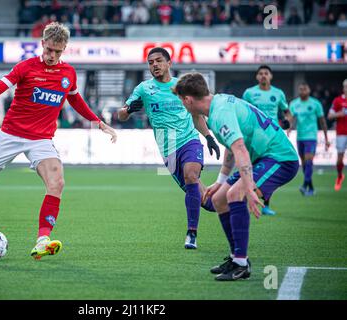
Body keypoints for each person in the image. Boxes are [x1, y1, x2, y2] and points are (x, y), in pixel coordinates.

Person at [0, 22, 117, 260]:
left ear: (64, 48)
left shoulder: (68, 73)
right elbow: (2, 85)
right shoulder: (26, 67)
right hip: (11, 134)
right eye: (49, 50)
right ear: (42, 44)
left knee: (57, 182)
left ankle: (42, 240)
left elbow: (75, 100)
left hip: (41, 139)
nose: (52, 55)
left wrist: (98, 122)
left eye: (58, 51)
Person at [174, 72, 299, 281]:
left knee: (234, 195)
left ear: (188, 99)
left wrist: (248, 188)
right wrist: (220, 181)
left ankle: (241, 263)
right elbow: (232, 148)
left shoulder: (219, 113)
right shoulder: (217, 105)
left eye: (181, 100)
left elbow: (240, 148)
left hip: (280, 158)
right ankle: (235, 257)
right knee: (218, 199)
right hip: (262, 158)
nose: (183, 105)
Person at [118, 47, 220, 250]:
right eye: (150, 62)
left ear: (169, 63)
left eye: (158, 61)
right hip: (167, 148)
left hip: (189, 139)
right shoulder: (144, 89)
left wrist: (208, 137)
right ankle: (234, 201)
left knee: (192, 175)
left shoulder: (180, 86)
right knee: (206, 201)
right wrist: (128, 110)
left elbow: (196, 116)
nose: (154, 65)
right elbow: (121, 115)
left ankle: (192, 233)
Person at [242, 65, 292, 216]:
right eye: (261, 74)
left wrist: (288, 123)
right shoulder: (250, 93)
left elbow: (287, 112)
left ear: (270, 76)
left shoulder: (278, 93)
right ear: (257, 77)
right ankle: (245, 198)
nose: (263, 76)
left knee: (270, 168)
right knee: (251, 167)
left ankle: (265, 205)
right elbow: (244, 111)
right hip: (255, 136)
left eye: (266, 73)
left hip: (273, 137)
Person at [288, 83, 330, 196]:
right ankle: (310, 188)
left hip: (311, 136)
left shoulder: (315, 104)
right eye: (300, 89)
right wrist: (289, 128)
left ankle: (304, 184)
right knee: (305, 164)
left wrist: (326, 138)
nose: (302, 91)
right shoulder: (294, 104)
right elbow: (291, 120)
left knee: (309, 161)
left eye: (304, 89)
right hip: (300, 137)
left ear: (309, 90)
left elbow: (322, 121)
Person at [328, 79, 347, 191]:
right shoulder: (338, 100)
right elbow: (330, 116)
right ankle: (340, 176)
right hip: (341, 133)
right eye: (345, 87)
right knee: (340, 159)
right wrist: (340, 114)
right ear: (343, 88)